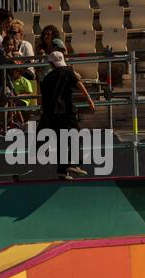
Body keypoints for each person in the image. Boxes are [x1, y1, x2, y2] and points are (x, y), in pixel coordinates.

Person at [40, 52, 95, 181]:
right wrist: (89, 100)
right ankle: (72, 162)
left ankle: (62, 170)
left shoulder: (47, 78)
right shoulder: (68, 71)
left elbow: (44, 99)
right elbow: (79, 84)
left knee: (61, 141)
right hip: (67, 110)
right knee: (75, 135)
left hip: (52, 113)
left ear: (51, 64)